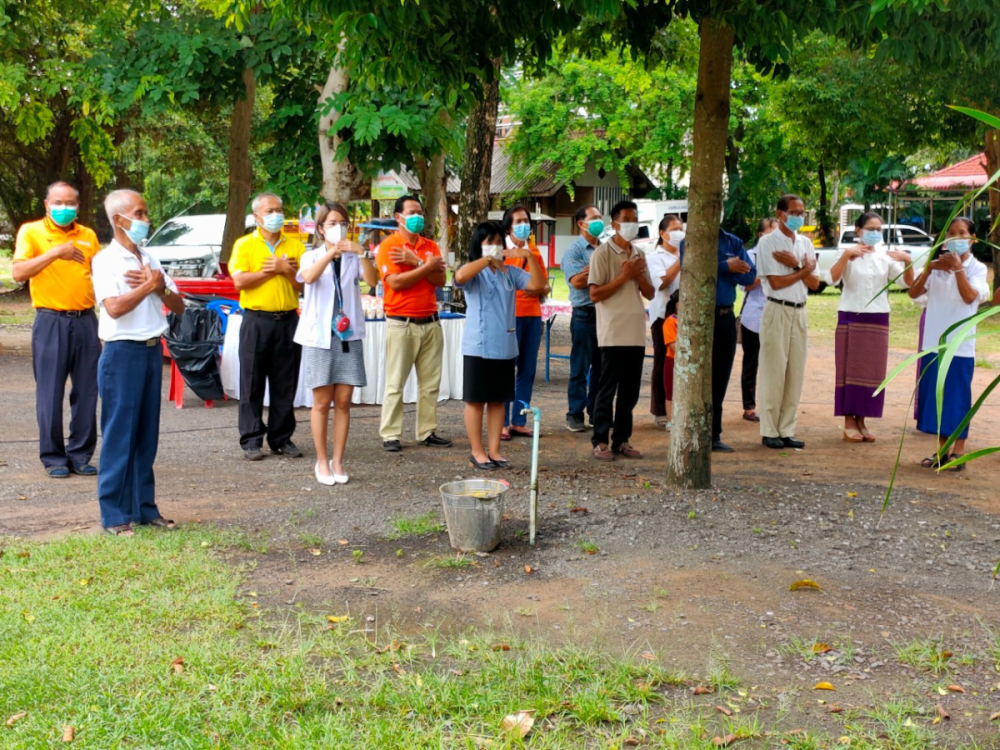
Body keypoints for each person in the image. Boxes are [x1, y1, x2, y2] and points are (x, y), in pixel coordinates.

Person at [91, 189, 185, 536]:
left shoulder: (151, 260)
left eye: (146, 213)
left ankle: (145, 508)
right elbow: (113, 307)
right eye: (140, 213)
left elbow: (179, 306)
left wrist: (159, 287)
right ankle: (114, 514)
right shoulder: (106, 261)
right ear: (119, 220)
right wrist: (148, 288)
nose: (147, 220)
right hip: (121, 353)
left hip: (149, 351)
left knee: (147, 435)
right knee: (119, 435)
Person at [12, 181, 102, 479]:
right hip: (51, 321)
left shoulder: (88, 235)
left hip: (87, 321)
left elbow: (99, 275)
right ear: (47, 204)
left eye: (70, 203)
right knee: (50, 393)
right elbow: (18, 272)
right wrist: (56, 253)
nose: (64, 208)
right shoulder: (31, 231)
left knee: (88, 391)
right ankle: (53, 458)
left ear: (78, 205)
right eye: (58, 203)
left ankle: (80, 455)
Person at [295, 202, 379, 486]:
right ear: (320, 229)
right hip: (320, 335)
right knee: (321, 403)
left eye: (343, 223)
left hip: (347, 335)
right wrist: (331, 252)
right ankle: (321, 461)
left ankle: (338, 460)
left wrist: (363, 253)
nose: (338, 227)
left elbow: (372, 280)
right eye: (331, 223)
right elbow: (308, 277)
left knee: (344, 401)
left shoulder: (354, 257)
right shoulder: (311, 256)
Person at [455, 221, 547, 469]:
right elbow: (460, 277)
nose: (496, 247)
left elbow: (538, 286)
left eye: (499, 242)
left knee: (498, 401)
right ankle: (477, 451)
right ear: (479, 246)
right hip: (479, 346)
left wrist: (528, 255)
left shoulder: (511, 272)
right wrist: (487, 260)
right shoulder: (475, 272)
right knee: (476, 400)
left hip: (505, 345)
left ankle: (495, 451)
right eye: (490, 243)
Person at [908, 218, 989, 469]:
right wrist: (929, 269)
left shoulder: (977, 269)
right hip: (934, 342)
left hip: (960, 346)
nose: (956, 238)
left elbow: (968, 297)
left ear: (973, 239)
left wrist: (957, 270)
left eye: (962, 233)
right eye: (951, 234)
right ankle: (941, 451)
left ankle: (959, 451)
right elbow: (913, 293)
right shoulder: (937, 267)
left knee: (958, 397)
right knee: (938, 398)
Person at [230, 192, 306, 461]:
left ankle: (281, 438)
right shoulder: (244, 244)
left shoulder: (295, 245)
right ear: (257, 216)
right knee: (251, 381)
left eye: (280, 209)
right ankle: (251, 440)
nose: (277, 215)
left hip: (287, 321)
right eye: (271, 210)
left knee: (285, 383)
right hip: (256, 321)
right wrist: (272, 270)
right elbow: (239, 282)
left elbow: (303, 283)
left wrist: (287, 270)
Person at [830, 211, 915, 442]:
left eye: (879, 229)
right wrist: (847, 255)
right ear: (858, 230)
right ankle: (849, 419)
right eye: (870, 228)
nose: (875, 233)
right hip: (851, 314)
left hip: (878, 317)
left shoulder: (886, 255)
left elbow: (907, 283)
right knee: (849, 369)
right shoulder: (845, 252)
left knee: (872, 372)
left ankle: (862, 420)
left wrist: (908, 261)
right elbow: (832, 278)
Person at [376, 194, 452, 452]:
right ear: (398, 217)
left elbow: (440, 281)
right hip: (401, 323)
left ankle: (427, 431)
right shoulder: (389, 247)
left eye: (420, 212)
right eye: (412, 212)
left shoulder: (430, 245)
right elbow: (396, 282)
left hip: (431, 322)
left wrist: (416, 262)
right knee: (395, 383)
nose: (418, 217)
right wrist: (426, 268)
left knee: (430, 384)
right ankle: (391, 434)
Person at [679, 221, 756, 452]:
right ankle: (692, 432)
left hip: (725, 317)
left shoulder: (733, 242)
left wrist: (737, 270)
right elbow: (690, 270)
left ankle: (714, 434)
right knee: (696, 376)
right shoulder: (690, 241)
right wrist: (725, 267)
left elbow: (750, 277)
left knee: (720, 377)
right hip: (699, 319)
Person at [588, 200, 655, 461]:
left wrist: (637, 276)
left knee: (630, 391)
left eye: (634, 219)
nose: (631, 224)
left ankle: (622, 440)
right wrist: (623, 277)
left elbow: (649, 292)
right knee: (607, 388)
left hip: (636, 331)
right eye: (626, 219)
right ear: (614, 224)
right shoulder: (602, 255)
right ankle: (600, 440)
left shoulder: (639, 254)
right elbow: (595, 294)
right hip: (612, 332)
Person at [756, 194, 819, 450]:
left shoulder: (805, 243)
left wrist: (797, 266)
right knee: (774, 371)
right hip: (777, 309)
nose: (799, 217)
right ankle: (769, 430)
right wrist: (802, 269)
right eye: (794, 212)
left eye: (802, 212)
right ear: (780, 213)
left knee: (795, 372)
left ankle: (787, 429)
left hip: (800, 311)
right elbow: (775, 282)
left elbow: (815, 283)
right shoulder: (768, 243)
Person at [501, 205, 550, 440]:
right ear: (508, 226)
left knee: (528, 370)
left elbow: (545, 284)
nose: (524, 225)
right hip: (509, 316)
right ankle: (500, 422)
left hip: (532, 314)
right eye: (518, 221)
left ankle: (519, 420)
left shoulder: (535, 252)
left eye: (526, 220)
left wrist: (539, 288)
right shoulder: (501, 252)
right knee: (505, 370)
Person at [561, 204, 604, 433]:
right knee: (580, 367)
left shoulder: (606, 247)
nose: (599, 221)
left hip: (605, 315)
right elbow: (576, 281)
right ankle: (575, 414)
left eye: (600, 217)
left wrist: (591, 270)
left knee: (601, 367)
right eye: (594, 218)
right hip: (584, 315)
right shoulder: (574, 251)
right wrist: (597, 270)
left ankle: (597, 412)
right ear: (581, 223)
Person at [645, 214, 683, 428]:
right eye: (675, 229)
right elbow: (662, 283)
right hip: (663, 316)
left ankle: (677, 406)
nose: (680, 233)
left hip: (685, 315)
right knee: (664, 360)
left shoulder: (683, 254)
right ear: (662, 234)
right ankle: (660, 409)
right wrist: (681, 260)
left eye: (681, 228)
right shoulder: (655, 257)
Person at [739, 218, 777, 423]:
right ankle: (749, 407)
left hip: (777, 315)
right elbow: (746, 286)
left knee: (774, 363)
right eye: (772, 231)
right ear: (761, 235)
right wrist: (766, 270)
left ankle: (771, 405)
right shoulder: (750, 256)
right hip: (754, 317)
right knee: (751, 362)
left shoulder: (783, 255)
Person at [662, 290, 680, 404]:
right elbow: (672, 345)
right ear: (676, 304)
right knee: (671, 395)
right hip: (673, 361)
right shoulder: (670, 321)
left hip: (686, 361)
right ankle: (670, 420)